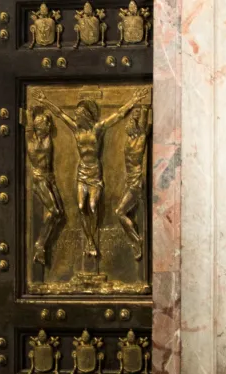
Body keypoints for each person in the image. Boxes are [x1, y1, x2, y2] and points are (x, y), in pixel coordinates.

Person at [35, 88, 148, 258]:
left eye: (79, 113)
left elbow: (117, 116)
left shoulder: (97, 129)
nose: (76, 116)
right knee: (81, 207)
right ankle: (90, 242)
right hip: (82, 172)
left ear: (86, 115)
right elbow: (59, 114)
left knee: (93, 207)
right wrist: (45, 101)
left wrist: (133, 100)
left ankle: (92, 238)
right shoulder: (76, 130)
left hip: (95, 174)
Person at [24, 106, 65, 265]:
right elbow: (28, 128)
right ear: (38, 127)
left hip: (50, 178)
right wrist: (29, 113)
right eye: (45, 124)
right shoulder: (32, 140)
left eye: (48, 124)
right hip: (39, 178)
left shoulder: (47, 138)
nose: (49, 126)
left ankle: (42, 244)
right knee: (54, 211)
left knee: (60, 214)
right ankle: (40, 245)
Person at [116, 105, 151, 260]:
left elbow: (143, 128)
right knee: (121, 212)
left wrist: (144, 109)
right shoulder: (130, 141)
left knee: (120, 212)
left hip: (135, 183)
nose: (128, 126)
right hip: (130, 181)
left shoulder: (140, 139)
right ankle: (136, 240)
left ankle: (137, 241)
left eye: (131, 124)